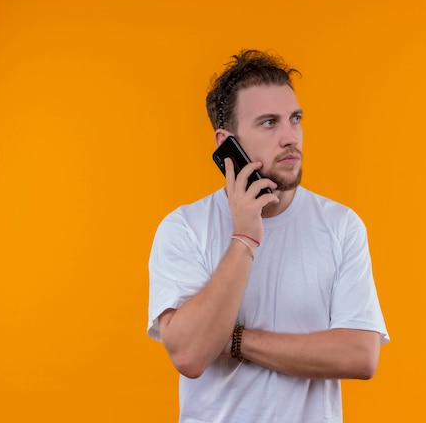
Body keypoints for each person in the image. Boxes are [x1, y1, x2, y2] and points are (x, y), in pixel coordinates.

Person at [147, 49, 389, 423]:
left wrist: (232, 340)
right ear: (227, 143)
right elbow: (192, 356)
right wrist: (244, 237)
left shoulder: (341, 225)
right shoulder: (184, 228)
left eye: (295, 119)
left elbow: (360, 355)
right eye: (268, 123)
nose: (290, 137)